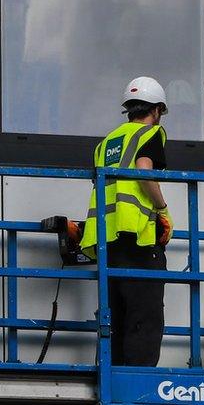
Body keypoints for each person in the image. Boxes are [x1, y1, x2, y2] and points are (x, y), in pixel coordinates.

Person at [79, 76, 175, 367]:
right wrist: (162, 209)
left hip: (107, 240)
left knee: (115, 316)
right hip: (138, 238)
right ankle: (139, 382)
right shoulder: (150, 134)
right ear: (156, 110)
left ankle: (115, 375)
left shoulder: (107, 142)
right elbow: (143, 170)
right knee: (144, 316)